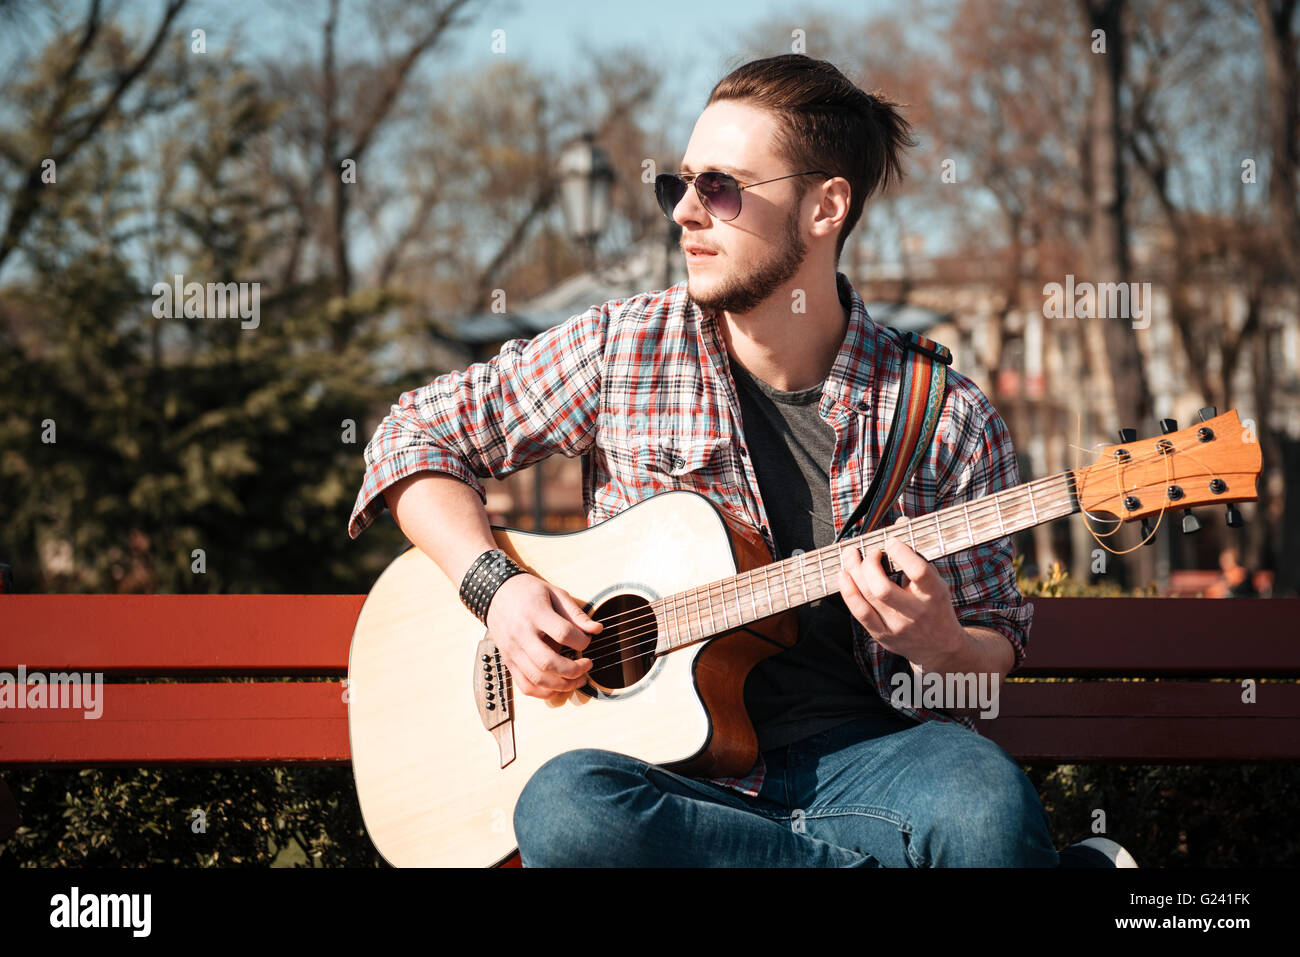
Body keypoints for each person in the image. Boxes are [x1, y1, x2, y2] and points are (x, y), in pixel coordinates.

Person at [347, 54, 1135, 868]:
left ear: (825, 205)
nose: (685, 213)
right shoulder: (625, 348)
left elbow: (992, 639)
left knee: (985, 808)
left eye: (719, 188)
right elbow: (410, 437)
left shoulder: (945, 415)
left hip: (875, 764)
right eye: (677, 185)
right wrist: (497, 587)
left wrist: (944, 648)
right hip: (678, 783)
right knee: (566, 807)